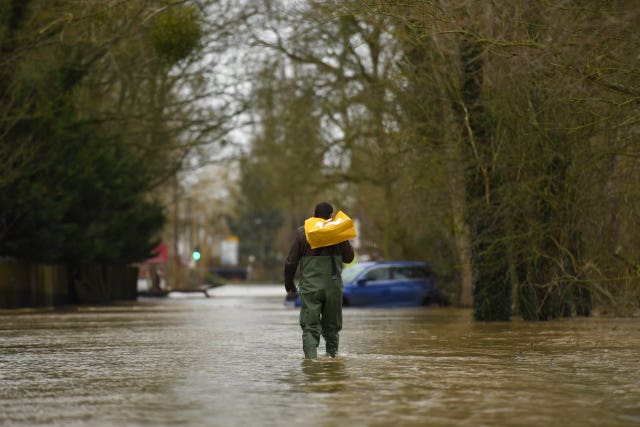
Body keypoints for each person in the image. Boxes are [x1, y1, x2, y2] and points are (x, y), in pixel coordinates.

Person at [284, 202, 355, 359]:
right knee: (332, 327)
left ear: (314, 215)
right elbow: (349, 258)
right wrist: (342, 237)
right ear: (331, 216)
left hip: (310, 288)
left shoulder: (303, 233)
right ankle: (333, 360)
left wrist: (289, 285)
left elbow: (290, 262)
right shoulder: (338, 233)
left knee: (310, 327)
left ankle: (311, 362)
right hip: (333, 288)